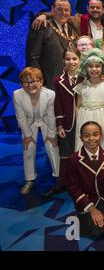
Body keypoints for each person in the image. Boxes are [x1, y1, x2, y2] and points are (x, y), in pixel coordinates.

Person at [65, 121, 104, 237]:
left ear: (101, 136)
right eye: (86, 135)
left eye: (95, 134)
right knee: (94, 230)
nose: (91, 138)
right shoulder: (73, 159)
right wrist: (91, 209)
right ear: (81, 138)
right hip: (87, 201)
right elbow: (73, 188)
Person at [13, 67, 60, 195]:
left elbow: (51, 116)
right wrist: (27, 136)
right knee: (28, 148)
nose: (30, 85)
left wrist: (52, 135)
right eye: (26, 82)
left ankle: (58, 177)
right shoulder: (17, 95)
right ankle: (30, 179)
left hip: (46, 120)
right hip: (28, 121)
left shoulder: (50, 94)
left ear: (41, 81)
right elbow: (21, 117)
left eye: (34, 81)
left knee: (52, 146)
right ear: (21, 84)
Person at [26, 0, 77, 90]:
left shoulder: (73, 27)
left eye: (66, 10)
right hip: (49, 84)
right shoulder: (41, 26)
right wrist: (39, 82)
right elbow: (32, 57)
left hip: (72, 85)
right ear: (52, 9)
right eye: (59, 9)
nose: (63, 13)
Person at [53, 48, 83, 190]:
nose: (71, 62)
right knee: (65, 153)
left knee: (81, 152)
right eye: (68, 59)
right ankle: (63, 182)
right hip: (66, 123)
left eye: (74, 59)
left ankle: (82, 181)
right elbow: (57, 103)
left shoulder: (85, 77)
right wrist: (59, 125)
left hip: (83, 120)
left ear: (80, 60)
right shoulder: (58, 80)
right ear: (63, 61)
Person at [31, 0, 104, 42]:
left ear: (103, 10)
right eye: (92, 7)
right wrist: (44, 15)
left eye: (98, 7)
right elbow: (62, 15)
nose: (95, 9)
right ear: (87, 9)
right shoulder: (78, 19)